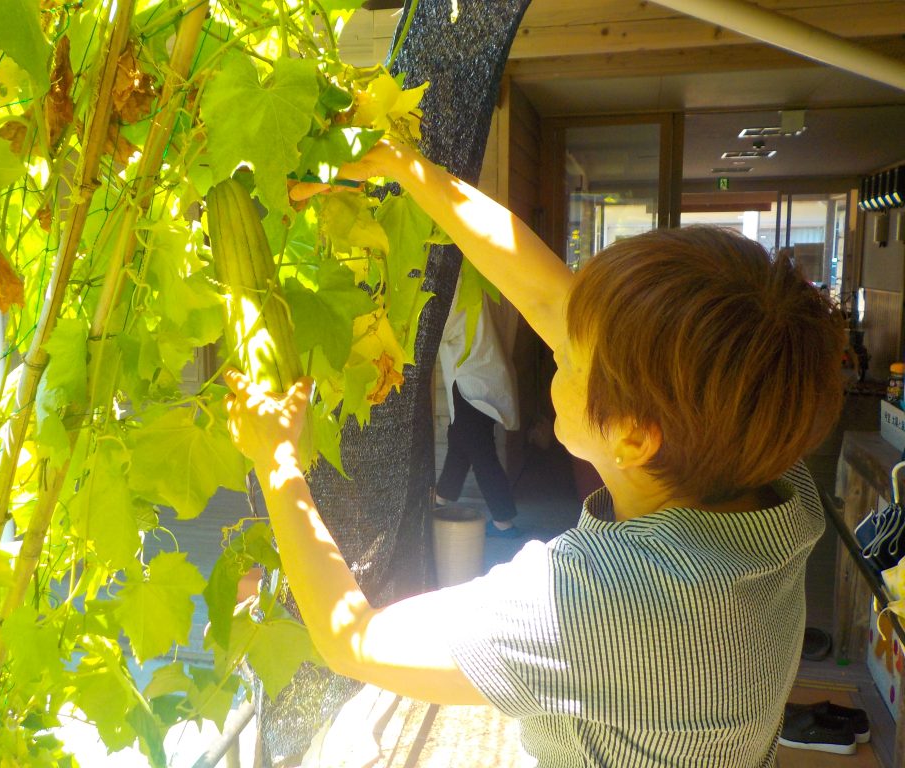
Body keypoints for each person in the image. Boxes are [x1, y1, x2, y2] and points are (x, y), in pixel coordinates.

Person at [224, 139, 845, 766]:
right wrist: (404, 169)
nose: (554, 347)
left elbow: (355, 641)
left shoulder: (603, 605)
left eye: (570, 357)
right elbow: (549, 297)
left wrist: (277, 462)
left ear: (633, 437)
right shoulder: (764, 449)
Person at [436, 281, 521, 537]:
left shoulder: (463, 278)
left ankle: (503, 521)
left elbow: (446, 327)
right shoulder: (499, 276)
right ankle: (440, 499)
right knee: (461, 437)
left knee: (479, 448)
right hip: (490, 369)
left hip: (468, 373)